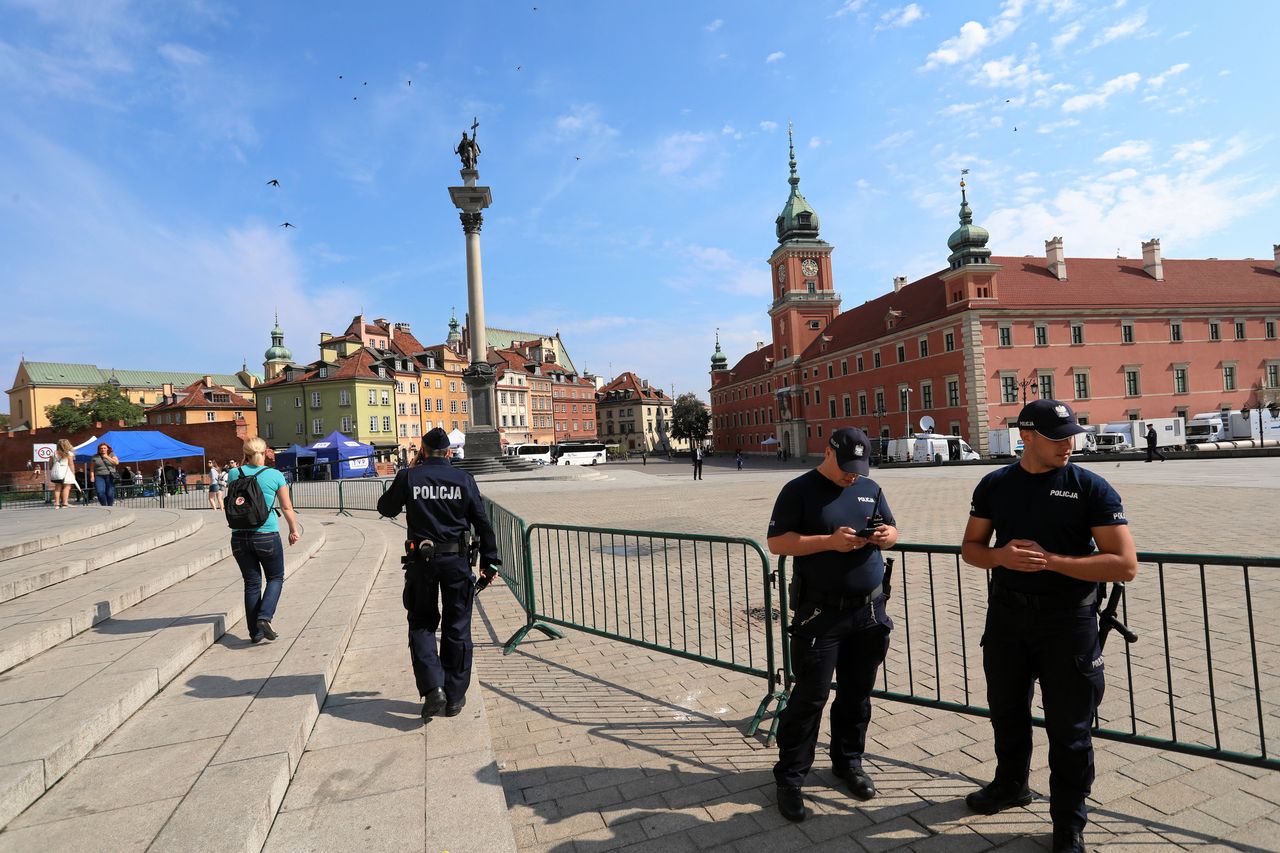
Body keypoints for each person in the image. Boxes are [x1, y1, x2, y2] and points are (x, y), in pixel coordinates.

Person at [960, 400, 1138, 853]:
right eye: (1058, 437)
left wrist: (1052, 562)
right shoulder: (995, 485)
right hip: (1006, 618)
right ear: (1027, 436)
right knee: (1006, 711)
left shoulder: (1090, 487)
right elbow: (972, 548)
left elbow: (1124, 564)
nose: (1068, 444)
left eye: (1071, 435)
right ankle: (1010, 785)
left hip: (1069, 621)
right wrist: (1000, 557)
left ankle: (1068, 823)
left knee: (1070, 729)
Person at [766, 427, 899, 823]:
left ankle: (848, 763)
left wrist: (885, 536)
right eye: (846, 467)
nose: (852, 475)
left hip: (869, 612)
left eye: (859, 469)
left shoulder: (869, 488)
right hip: (820, 613)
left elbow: (893, 530)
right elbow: (778, 543)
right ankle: (790, 778)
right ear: (827, 453)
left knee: (857, 696)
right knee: (809, 698)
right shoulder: (799, 489)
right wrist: (829, 541)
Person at [376, 427, 500, 721]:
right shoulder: (463, 479)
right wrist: (490, 561)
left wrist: (409, 473)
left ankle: (434, 689)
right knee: (457, 625)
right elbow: (481, 522)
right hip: (457, 561)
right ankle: (455, 697)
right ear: (448, 452)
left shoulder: (410, 476)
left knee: (421, 622)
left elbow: (386, 508)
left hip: (422, 561)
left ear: (423, 450)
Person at [227, 436, 301, 644]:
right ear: (265, 452)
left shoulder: (234, 473)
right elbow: (286, 507)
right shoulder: (275, 475)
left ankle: (255, 633)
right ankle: (264, 617)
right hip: (267, 534)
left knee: (251, 584)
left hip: (239, 536)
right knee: (275, 577)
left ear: (245, 453)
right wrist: (293, 530)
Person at [49, 438, 76, 508]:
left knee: (57, 488)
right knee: (67, 487)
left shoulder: (54, 453)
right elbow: (71, 464)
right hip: (65, 472)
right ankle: (65, 503)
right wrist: (73, 473)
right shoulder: (69, 453)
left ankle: (57, 504)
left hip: (56, 472)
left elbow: (50, 464)